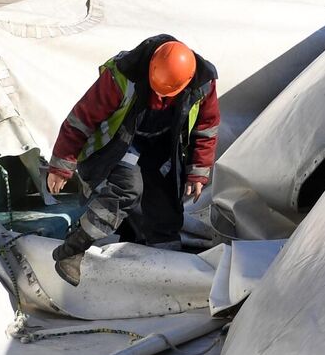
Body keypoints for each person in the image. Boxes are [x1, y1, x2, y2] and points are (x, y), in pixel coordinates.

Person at [46, 36, 219, 286]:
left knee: (166, 209)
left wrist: (198, 172)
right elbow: (81, 119)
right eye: (157, 91)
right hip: (124, 142)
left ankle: (168, 273)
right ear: (151, 70)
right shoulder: (123, 75)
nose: (160, 98)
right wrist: (61, 166)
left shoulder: (203, 82)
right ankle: (72, 250)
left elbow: (207, 127)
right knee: (127, 189)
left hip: (162, 144)